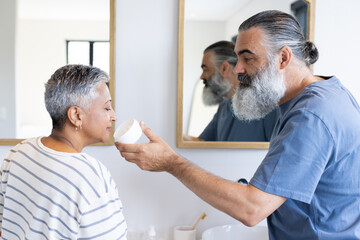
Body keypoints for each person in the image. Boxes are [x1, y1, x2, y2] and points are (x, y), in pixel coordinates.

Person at [116, 10, 360, 240]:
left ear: (283, 57)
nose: (238, 69)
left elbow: (252, 209)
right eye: (237, 58)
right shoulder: (320, 98)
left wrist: (172, 163)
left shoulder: (311, 116)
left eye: (247, 58)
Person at [0, 65, 127, 239]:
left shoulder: (18, 152)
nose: (113, 116)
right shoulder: (91, 176)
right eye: (107, 108)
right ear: (75, 115)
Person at [185, 41, 279, 141]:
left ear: (224, 68)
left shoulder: (268, 105)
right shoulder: (224, 106)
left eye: (206, 69)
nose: (202, 76)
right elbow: (202, 142)